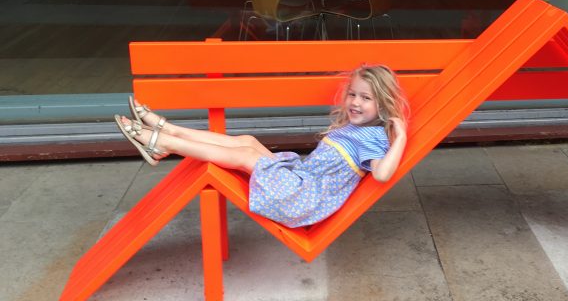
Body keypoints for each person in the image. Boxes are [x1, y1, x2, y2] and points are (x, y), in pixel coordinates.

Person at [115, 65, 409, 229]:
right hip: (300, 180)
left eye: (366, 98)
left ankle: (161, 142)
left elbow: (382, 174)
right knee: (249, 142)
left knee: (243, 155)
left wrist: (402, 137)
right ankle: (167, 130)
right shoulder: (357, 128)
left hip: (302, 199)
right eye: (353, 94)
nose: (356, 103)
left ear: (382, 104)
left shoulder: (373, 139)